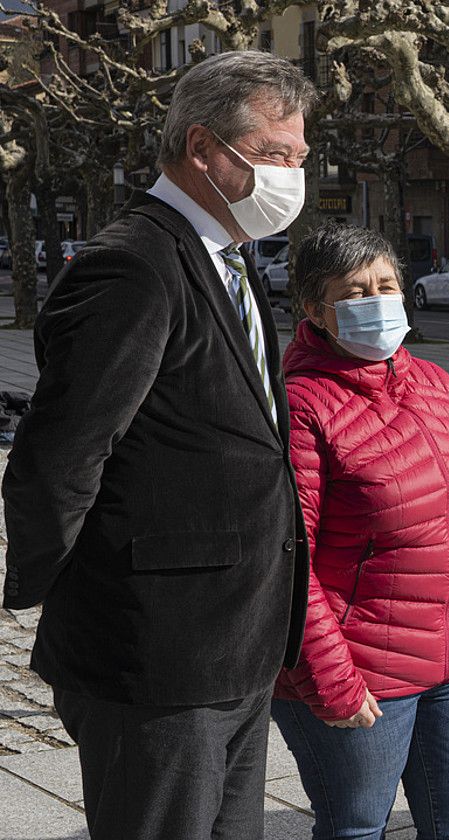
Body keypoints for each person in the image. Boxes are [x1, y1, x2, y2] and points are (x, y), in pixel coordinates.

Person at [0, 51, 315, 840]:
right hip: (157, 653)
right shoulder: (132, 266)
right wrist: (75, 596)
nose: (292, 176)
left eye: (300, 158)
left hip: (236, 643)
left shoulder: (228, 255)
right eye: (275, 155)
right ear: (204, 148)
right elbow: (61, 455)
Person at [270, 223, 449, 840]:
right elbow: (285, 563)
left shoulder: (436, 384)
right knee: (356, 828)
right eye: (355, 293)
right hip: (360, 669)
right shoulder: (300, 404)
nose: (377, 301)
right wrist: (328, 677)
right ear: (316, 310)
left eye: (386, 285)